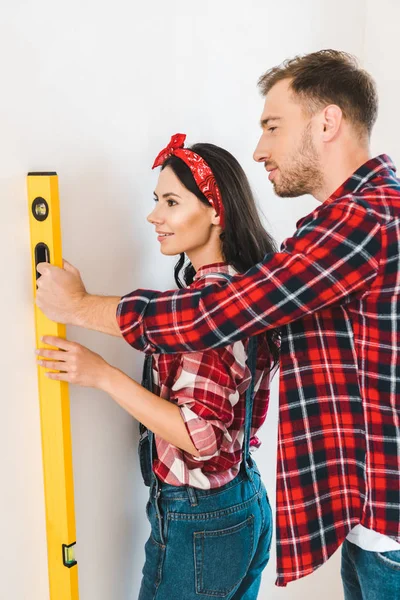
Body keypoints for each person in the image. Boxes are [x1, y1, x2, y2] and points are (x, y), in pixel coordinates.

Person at [35, 50, 400, 599]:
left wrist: (82, 312)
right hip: (333, 517)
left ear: (327, 122)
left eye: (272, 126)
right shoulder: (338, 225)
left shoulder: (364, 220)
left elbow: (215, 322)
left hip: (249, 518)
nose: (260, 150)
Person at [36, 137, 279, 599]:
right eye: (156, 201)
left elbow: (200, 437)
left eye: (171, 201)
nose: (154, 216)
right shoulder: (244, 291)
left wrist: (101, 374)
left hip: (201, 517)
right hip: (244, 501)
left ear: (215, 212)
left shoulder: (205, 311)